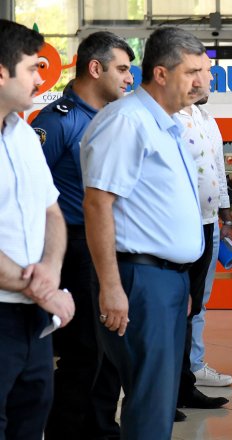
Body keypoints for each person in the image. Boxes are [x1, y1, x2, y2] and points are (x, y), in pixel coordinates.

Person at [80, 27, 206, 439]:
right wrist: (112, 287)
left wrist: (178, 276)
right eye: (191, 72)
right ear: (161, 73)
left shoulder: (164, 124)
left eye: (202, 71)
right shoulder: (128, 121)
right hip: (138, 278)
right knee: (149, 404)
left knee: (159, 400)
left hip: (164, 279)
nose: (201, 82)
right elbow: (99, 203)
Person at [32, 30, 134, 440]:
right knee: (84, 351)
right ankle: (67, 430)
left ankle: (100, 427)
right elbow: (28, 192)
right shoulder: (59, 121)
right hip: (74, 245)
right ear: (95, 68)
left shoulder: (112, 118)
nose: (130, 78)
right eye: (123, 69)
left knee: (109, 349)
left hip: (109, 244)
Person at [0, 19, 75, 440]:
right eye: (32, 68)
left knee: (31, 419)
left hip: (34, 319)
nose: (41, 78)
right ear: (1, 72)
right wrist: (43, 289)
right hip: (7, 310)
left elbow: (52, 213)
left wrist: (50, 266)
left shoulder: (24, 135)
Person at [175, 53, 232, 421]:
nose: (209, 81)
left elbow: (217, 172)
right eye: (202, 74)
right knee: (177, 309)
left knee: (197, 303)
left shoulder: (205, 119)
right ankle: (171, 387)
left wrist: (227, 216)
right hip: (181, 227)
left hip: (209, 223)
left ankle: (186, 381)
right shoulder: (170, 119)